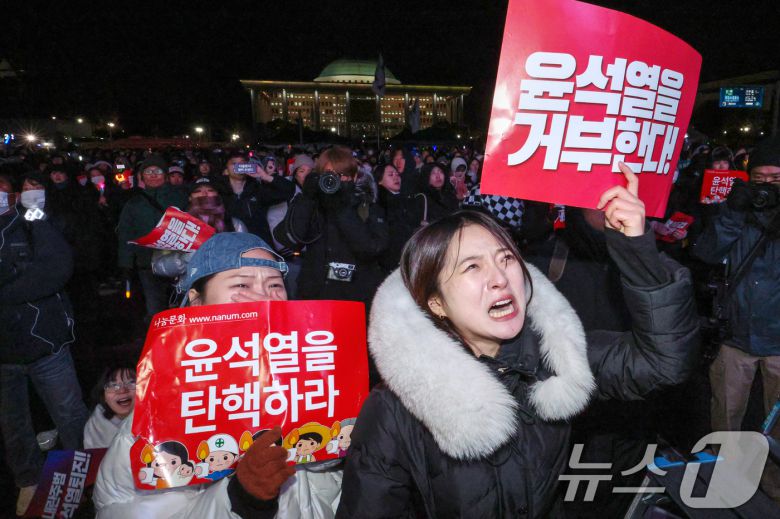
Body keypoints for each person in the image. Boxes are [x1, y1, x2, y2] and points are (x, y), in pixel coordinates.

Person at [337, 165, 698, 518]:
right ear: (436, 303)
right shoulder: (394, 411)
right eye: (471, 267)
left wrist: (636, 249)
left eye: (506, 258)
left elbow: (664, 361)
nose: (499, 278)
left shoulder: (556, 355)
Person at [94, 232, 342, 518]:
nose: (265, 297)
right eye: (241, 284)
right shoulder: (159, 418)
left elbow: (329, 486)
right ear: (197, 302)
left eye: (275, 284)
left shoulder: (310, 377)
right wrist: (242, 499)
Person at [692, 136, 780, 503]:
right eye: (759, 179)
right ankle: (727, 481)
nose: (766, 187)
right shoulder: (736, 210)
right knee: (726, 416)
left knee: (778, 427)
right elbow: (707, 252)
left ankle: (774, 484)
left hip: (778, 340)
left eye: (776, 180)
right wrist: (732, 212)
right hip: (735, 336)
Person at [0, 173, 90, 516]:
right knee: (13, 421)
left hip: (46, 341)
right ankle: (27, 479)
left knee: (69, 411)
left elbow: (54, 268)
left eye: (5, 191)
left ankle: (84, 472)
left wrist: (33, 212)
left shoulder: (32, 220)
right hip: (3, 352)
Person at [274, 146, 388, 309]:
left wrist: (341, 207)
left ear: (354, 177)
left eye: (341, 175)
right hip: (315, 298)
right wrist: (307, 198)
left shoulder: (367, 207)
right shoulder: (313, 206)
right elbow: (288, 238)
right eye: (329, 175)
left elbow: (371, 248)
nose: (335, 181)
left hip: (354, 300)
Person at [116, 154, 188, 323]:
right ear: (141, 176)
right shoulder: (133, 203)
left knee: (183, 305)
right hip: (147, 263)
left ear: (165, 175)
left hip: (179, 261)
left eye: (158, 171)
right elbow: (126, 234)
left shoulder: (180, 197)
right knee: (155, 309)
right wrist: (125, 265)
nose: (153, 174)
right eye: (148, 171)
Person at [221, 151, 295, 246]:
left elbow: (289, 191)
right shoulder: (218, 192)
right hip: (230, 247)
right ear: (226, 169)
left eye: (242, 164)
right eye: (234, 164)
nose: (239, 167)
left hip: (260, 246)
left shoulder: (258, 190)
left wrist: (265, 176)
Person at [84, 365, 137, 449]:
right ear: (103, 396)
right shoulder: (95, 427)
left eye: (131, 383)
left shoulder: (156, 419)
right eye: (113, 385)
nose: (122, 390)